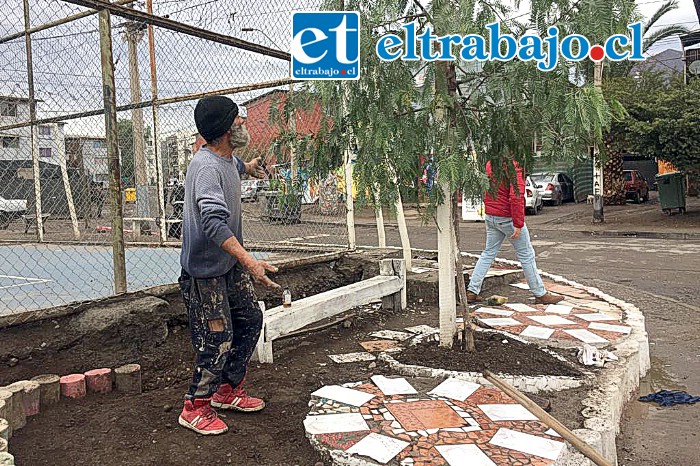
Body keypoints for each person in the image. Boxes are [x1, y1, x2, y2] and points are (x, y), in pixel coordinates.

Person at [178, 95, 280, 436]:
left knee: (251, 319)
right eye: (239, 120)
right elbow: (213, 223)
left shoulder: (226, 159)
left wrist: (251, 167)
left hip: (228, 264)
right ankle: (195, 406)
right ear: (224, 130)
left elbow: (236, 168)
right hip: (205, 271)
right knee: (217, 336)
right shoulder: (206, 168)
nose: (244, 124)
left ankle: (227, 390)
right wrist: (250, 261)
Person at [467, 159, 564, 305]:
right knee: (526, 255)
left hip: (491, 215)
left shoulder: (490, 162)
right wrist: (518, 224)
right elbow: (516, 196)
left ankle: (472, 291)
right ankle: (540, 293)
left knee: (488, 253)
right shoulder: (514, 165)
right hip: (507, 218)